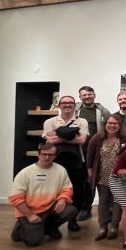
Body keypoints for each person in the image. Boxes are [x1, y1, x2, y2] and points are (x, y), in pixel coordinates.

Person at [8, 142, 77, 246]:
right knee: (33, 242)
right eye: (44, 154)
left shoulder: (60, 170)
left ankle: (49, 227)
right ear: (38, 154)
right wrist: (30, 215)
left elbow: (67, 188)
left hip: (50, 208)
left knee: (71, 210)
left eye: (50, 155)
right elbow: (15, 198)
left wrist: (63, 199)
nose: (46, 157)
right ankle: (19, 229)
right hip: (29, 211)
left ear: (55, 156)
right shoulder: (25, 173)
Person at [42, 95, 89, 232]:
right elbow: (50, 141)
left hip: (77, 162)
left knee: (77, 192)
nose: (67, 105)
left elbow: (81, 141)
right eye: (64, 103)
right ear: (59, 105)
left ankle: (72, 220)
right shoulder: (50, 121)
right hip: (54, 161)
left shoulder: (82, 121)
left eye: (70, 103)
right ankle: (53, 223)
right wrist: (71, 136)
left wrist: (59, 136)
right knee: (53, 191)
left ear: (75, 105)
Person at [85, 114, 126, 241]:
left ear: (120, 126)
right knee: (103, 201)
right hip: (101, 175)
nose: (112, 126)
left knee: (117, 202)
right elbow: (90, 156)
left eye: (115, 123)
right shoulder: (97, 138)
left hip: (119, 177)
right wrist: (90, 172)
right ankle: (102, 227)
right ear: (105, 125)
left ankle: (114, 227)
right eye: (109, 123)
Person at [75, 86, 111, 221]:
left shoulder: (103, 111)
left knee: (100, 180)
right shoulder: (76, 111)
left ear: (94, 96)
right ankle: (85, 208)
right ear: (80, 97)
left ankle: (106, 210)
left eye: (89, 94)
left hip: (99, 151)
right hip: (80, 151)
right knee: (84, 181)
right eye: (84, 95)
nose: (87, 97)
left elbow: (110, 128)